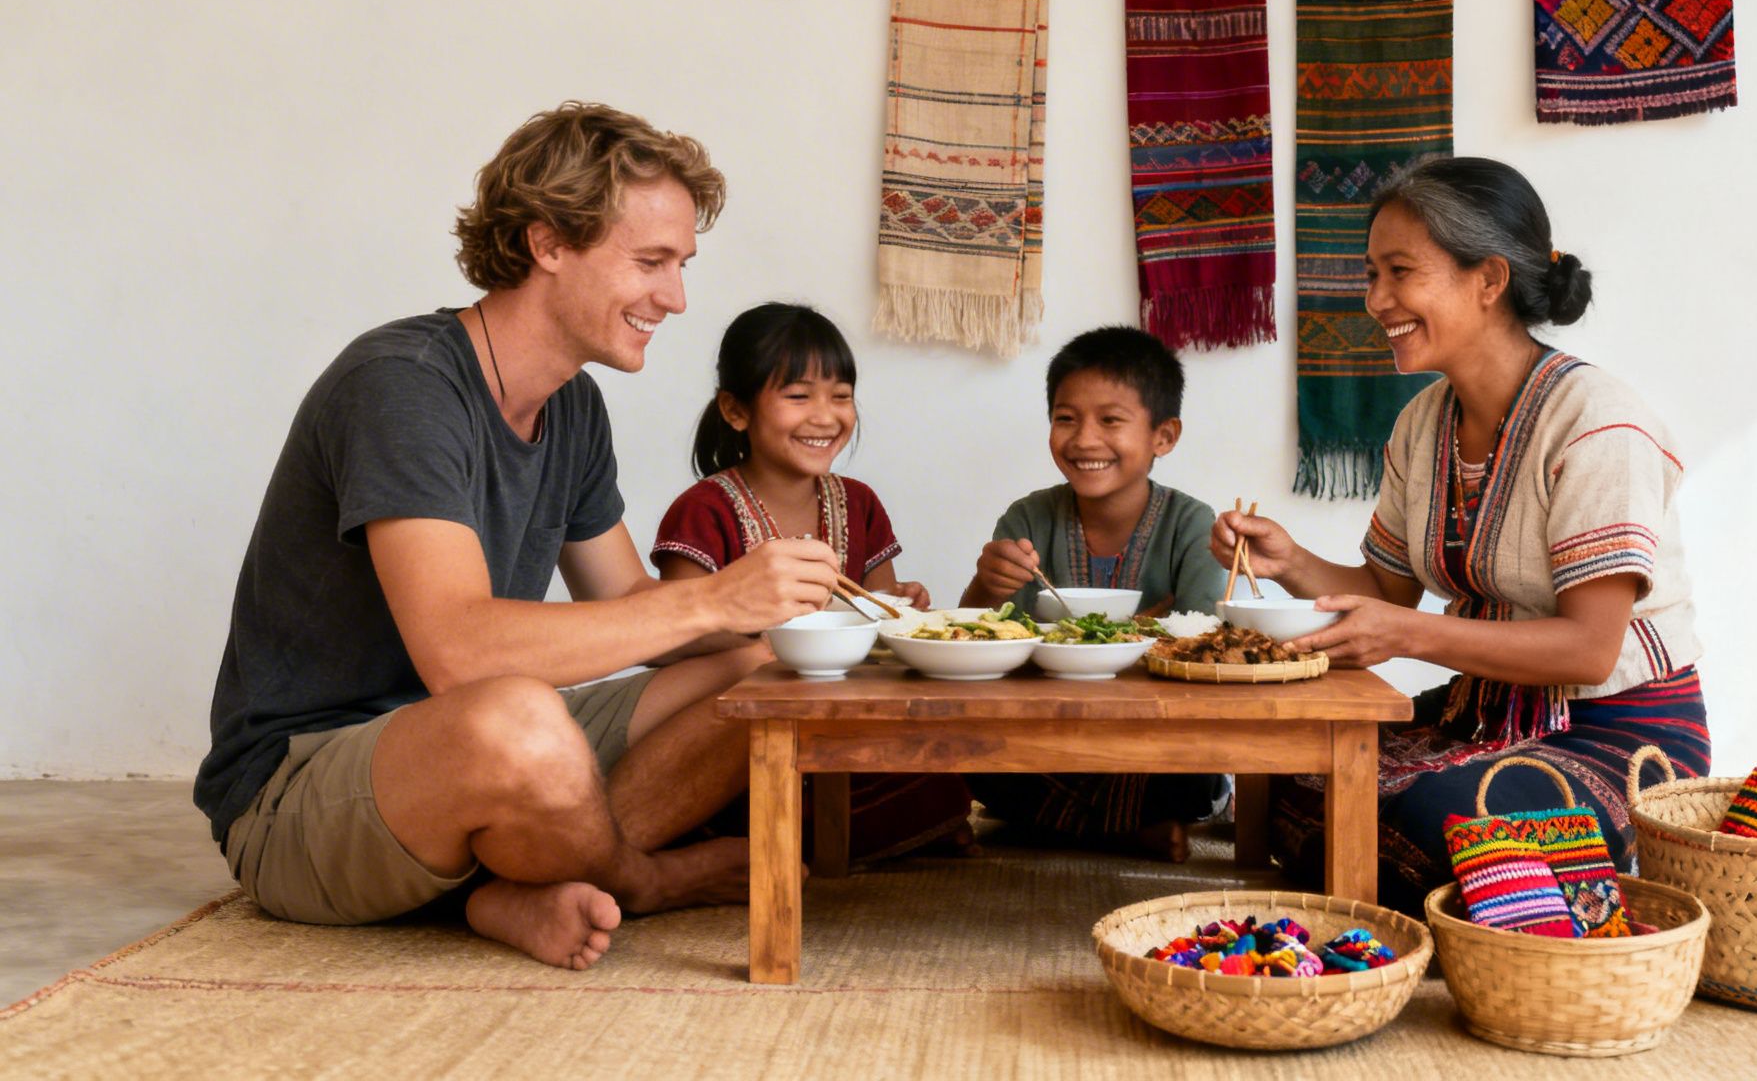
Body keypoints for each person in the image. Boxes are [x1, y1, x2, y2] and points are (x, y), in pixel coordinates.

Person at [194, 102, 846, 971]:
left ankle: (515, 886)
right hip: (297, 793)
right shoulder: (404, 385)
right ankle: (639, 881)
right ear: (548, 245)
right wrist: (717, 593)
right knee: (515, 716)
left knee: (759, 672)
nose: (677, 298)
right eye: (650, 262)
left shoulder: (572, 406)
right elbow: (459, 655)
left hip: (469, 742)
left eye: (681, 265)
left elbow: (628, 605)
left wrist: (787, 614)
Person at [1213, 157, 1710, 914]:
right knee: (1297, 774)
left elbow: (1589, 649)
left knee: (1423, 820)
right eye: (1372, 274)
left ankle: (1582, 871)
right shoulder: (1423, 422)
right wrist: (1290, 561)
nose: (1377, 300)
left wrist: (1408, 636)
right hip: (1480, 716)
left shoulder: (1598, 421)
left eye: (1399, 271)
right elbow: (1385, 595)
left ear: (1489, 279)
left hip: (1616, 736)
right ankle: (1490, 899)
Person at [651, 302, 974, 861]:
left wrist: (901, 607)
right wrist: (771, 629)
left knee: (946, 780)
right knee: (744, 793)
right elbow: (679, 639)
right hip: (739, 731)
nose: (825, 416)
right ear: (735, 410)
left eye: (841, 395)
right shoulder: (705, 509)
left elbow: (882, 621)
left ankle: (795, 838)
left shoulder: (859, 503)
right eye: (799, 396)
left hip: (842, 726)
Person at [960, 326, 1229, 862]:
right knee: (975, 761)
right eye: (1066, 418)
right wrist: (985, 587)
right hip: (1052, 728)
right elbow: (977, 640)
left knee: (1195, 773)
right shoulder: (1027, 518)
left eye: (1110, 420)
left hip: (1157, 739)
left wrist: (1090, 640)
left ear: (1164, 436)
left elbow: (1205, 642)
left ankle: (1067, 823)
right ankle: (1130, 829)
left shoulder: (1192, 523)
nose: (1084, 439)